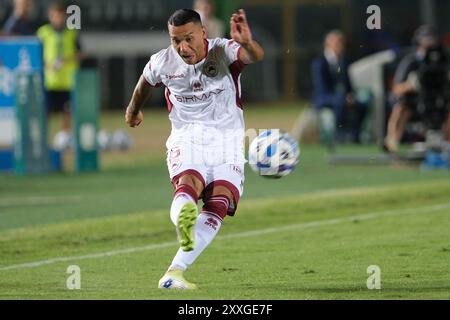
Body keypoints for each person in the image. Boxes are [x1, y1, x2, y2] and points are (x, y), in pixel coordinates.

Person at [125, 8, 264, 289]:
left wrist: (247, 42)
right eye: (176, 40)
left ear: (203, 33)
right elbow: (144, 82)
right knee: (189, 184)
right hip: (188, 137)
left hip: (227, 142)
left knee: (219, 203)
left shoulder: (222, 52)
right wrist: (133, 110)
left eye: (188, 38)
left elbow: (253, 56)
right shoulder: (163, 62)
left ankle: (174, 272)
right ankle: (184, 216)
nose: (182, 47)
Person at [385, 25, 450, 152]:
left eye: (432, 38)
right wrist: (411, 85)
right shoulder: (411, 61)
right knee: (401, 107)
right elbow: (396, 89)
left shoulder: (445, 59)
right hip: (416, 100)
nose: (430, 41)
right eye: (426, 38)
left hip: (440, 98)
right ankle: (392, 142)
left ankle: (447, 145)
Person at [36, 2, 83, 149]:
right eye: (55, 15)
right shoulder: (43, 33)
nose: (58, 18)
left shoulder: (71, 33)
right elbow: (36, 55)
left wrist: (66, 61)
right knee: (46, 113)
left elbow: (80, 54)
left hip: (67, 81)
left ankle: (66, 140)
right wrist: (48, 65)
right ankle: (43, 140)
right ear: (51, 16)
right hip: (49, 81)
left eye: (61, 15)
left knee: (66, 113)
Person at [311, 30, 367, 144]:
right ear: (328, 44)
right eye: (338, 43)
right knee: (340, 102)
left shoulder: (344, 61)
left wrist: (350, 96)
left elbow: (348, 85)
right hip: (324, 98)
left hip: (341, 97)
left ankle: (355, 135)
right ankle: (339, 135)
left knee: (361, 104)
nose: (341, 46)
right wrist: (342, 98)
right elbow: (321, 89)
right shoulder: (319, 62)